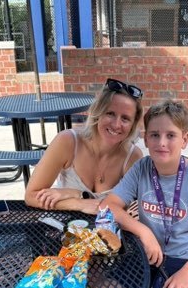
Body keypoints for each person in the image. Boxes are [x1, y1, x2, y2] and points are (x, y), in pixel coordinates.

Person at [105, 99, 188, 288]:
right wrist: (143, 232)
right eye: (155, 135)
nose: (161, 142)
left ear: (185, 140)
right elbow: (108, 205)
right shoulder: (141, 168)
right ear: (145, 139)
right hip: (149, 252)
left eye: (171, 135)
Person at [25, 79, 144, 216]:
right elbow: (31, 196)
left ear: (133, 124)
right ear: (98, 112)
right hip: (65, 228)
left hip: (109, 232)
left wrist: (76, 194)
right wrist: (78, 203)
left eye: (125, 118)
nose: (117, 125)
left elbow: (134, 207)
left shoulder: (133, 156)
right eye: (110, 113)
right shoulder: (68, 141)